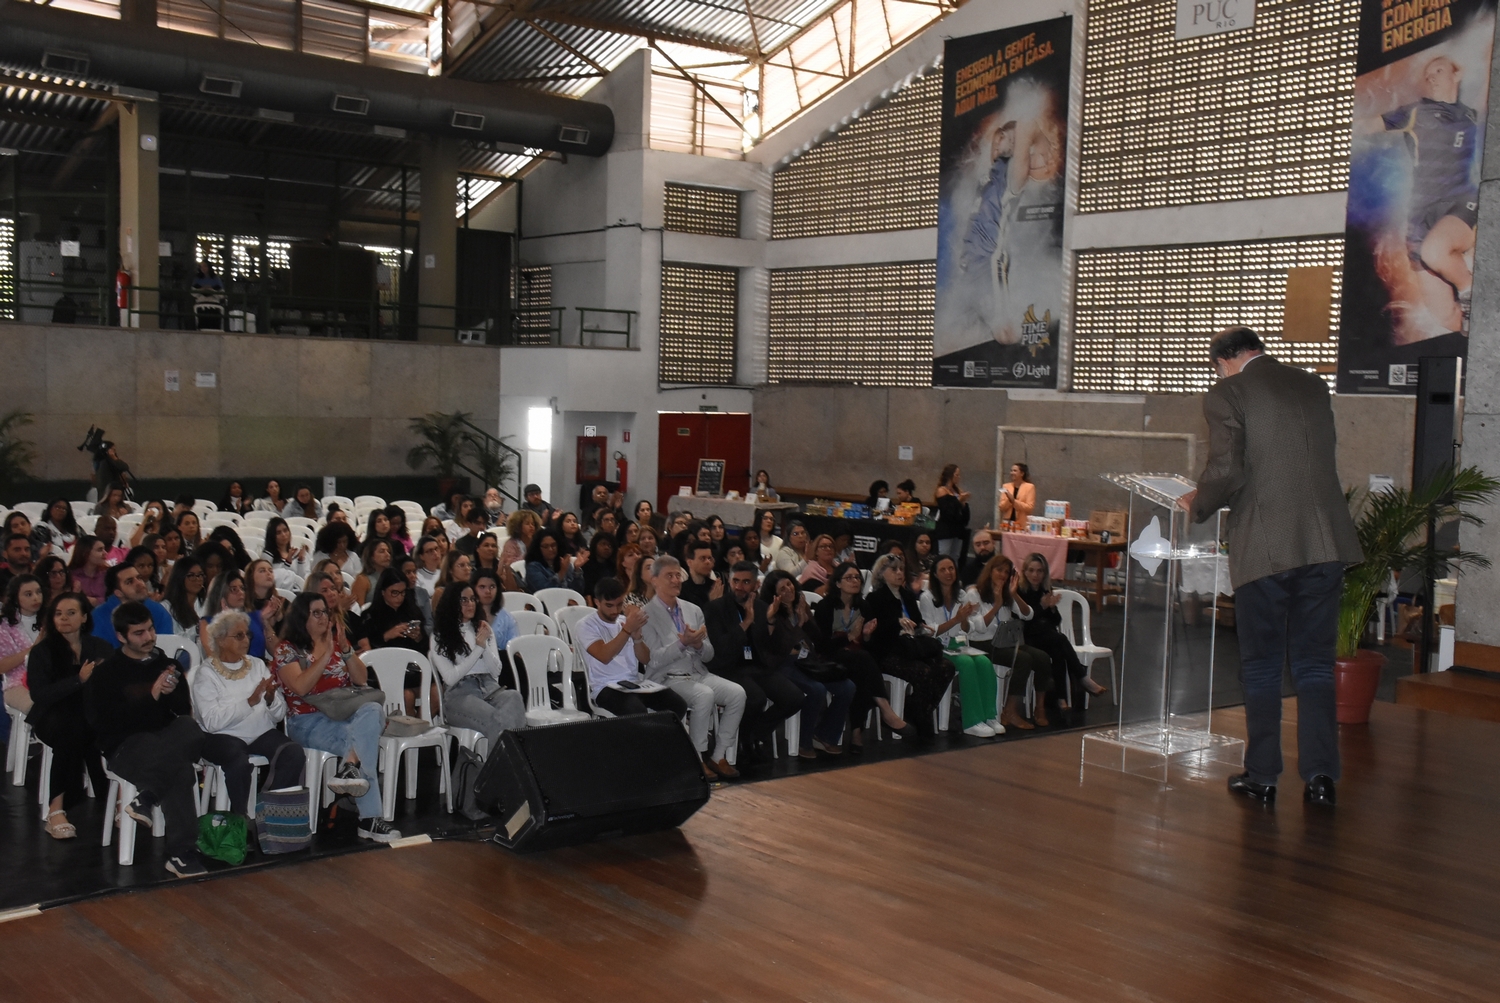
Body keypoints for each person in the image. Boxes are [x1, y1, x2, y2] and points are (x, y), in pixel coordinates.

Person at [1179, 326, 1362, 807]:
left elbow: (1227, 468)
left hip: (1265, 546)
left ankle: (1262, 776)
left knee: (1261, 667)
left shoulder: (1228, 391)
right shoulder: (1312, 384)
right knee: (1314, 665)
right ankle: (1321, 776)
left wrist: (1198, 502)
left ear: (1225, 360)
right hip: (1324, 543)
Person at [85, 601, 208, 877]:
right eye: (139, 633)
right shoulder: (106, 674)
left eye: (150, 629)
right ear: (121, 637)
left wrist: (171, 693)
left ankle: (149, 795)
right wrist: (151, 695)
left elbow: (180, 713)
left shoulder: (168, 664)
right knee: (180, 768)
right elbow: (108, 725)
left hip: (164, 738)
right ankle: (181, 853)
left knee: (189, 728)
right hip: (125, 746)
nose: (149, 637)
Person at [272, 592, 399, 842]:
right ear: (301, 618)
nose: (323, 617)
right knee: (365, 740)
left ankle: (350, 767)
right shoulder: (286, 649)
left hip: (345, 713)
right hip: (307, 720)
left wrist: (346, 649)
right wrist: (326, 654)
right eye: (316, 612)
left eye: (325, 612)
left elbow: (361, 680)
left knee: (373, 709)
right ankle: (370, 818)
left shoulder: (336, 640)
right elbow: (300, 687)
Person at [640, 556, 745, 780]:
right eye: (670, 575)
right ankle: (697, 758)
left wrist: (697, 644)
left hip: (697, 673)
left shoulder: (693, 609)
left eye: (678, 575)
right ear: (655, 579)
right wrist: (682, 643)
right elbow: (653, 659)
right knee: (704, 696)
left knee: (738, 693)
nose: (676, 580)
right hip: (667, 677)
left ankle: (718, 756)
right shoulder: (646, 614)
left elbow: (709, 654)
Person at [192, 610, 303, 817]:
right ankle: (241, 819)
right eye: (239, 635)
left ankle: (273, 816)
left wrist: (270, 700)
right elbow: (211, 722)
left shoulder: (258, 664)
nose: (246, 640)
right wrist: (249, 702)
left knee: (292, 752)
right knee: (237, 760)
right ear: (221, 640)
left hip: (260, 732)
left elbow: (278, 716)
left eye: (247, 635)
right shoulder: (206, 673)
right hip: (221, 737)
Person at [26, 592, 112, 839]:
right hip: (51, 715)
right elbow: (40, 694)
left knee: (94, 725)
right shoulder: (43, 651)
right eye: (58, 613)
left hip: (90, 713)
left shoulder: (99, 646)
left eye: (71, 613)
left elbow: (111, 683)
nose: (63, 618)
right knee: (71, 728)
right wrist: (78, 681)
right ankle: (57, 808)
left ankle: (108, 796)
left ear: (84, 617)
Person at [704, 561, 803, 761]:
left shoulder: (762, 606)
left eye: (746, 582)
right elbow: (721, 648)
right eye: (736, 581)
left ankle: (751, 734)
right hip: (727, 667)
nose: (739, 586)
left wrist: (770, 621)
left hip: (757, 666)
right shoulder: (715, 608)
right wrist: (746, 623)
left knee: (794, 697)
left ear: (755, 585)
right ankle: (746, 740)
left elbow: (773, 647)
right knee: (755, 698)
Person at [811, 561, 915, 748]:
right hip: (831, 656)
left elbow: (869, 643)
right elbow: (822, 646)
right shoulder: (825, 607)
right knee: (865, 662)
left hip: (857, 657)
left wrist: (866, 635)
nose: (855, 581)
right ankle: (883, 712)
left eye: (857, 577)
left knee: (863, 669)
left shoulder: (864, 607)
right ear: (837, 583)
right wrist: (849, 637)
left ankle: (857, 731)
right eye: (849, 578)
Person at [756, 570, 856, 758]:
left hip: (808, 661)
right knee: (816, 689)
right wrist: (798, 626)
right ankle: (804, 741)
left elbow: (817, 639)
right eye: (782, 588)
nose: (788, 590)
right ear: (774, 594)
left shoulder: (800, 606)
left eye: (789, 584)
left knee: (847, 687)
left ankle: (825, 735)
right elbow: (779, 648)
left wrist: (805, 620)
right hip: (784, 664)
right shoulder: (771, 612)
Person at [861, 553, 954, 739]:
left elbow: (917, 621)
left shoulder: (907, 595)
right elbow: (875, 632)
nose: (899, 573)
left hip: (911, 648)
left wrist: (921, 627)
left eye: (901, 569)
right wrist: (897, 623)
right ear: (881, 573)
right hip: (888, 651)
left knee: (946, 667)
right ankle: (921, 717)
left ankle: (914, 709)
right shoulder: (875, 598)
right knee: (923, 672)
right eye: (893, 569)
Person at [429, 582, 526, 753]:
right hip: (460, 693)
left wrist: (485, 646)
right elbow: (450, 678)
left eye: (473, 599)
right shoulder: (439, 635)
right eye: (464, 600)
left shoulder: (483, 628)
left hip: (489, 687)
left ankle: (504, 770)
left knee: (514, 698)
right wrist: (478, 648)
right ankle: (503, 773)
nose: (470, 604)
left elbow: (496, 671)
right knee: (497, 718)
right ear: (453, 603)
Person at [578, 577, 690, 720]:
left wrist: (637, 639)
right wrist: (627, 631)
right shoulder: (586, 625)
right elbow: (604, 656)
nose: (615, 610)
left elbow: (645, 659)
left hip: (633, 682)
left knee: (678, 705)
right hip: (604, 686)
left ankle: (659, 741)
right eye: (609, 605)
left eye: (619, 605)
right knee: (637, 711)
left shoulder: (624, 621)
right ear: (597, 602)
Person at [920, 555, 1000, 738]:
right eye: (943, 569)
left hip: (959, 643)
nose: (949, 573)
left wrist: (963, 620)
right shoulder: (927, 597)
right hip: (937, 646)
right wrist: (957, 619)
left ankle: (989, 716)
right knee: (966, 664)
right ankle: (971, 721)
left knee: (984, 662)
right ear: (935, 574)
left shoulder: (961, 595)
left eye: (951, 569)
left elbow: (968, 628)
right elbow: (930, 631)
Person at [968, 554, 1049, 731]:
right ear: (990, 571)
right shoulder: (975, 593)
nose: (1003, 575)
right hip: (982, 642)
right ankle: (1010, 710)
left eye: (1006, 572)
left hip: (1005, 641)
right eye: (999, 570)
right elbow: (977, 628)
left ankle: (1040, 708)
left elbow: (1028, 615)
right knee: (1023, 659)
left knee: (1042, 658)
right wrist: (997, 605)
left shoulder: (1006, 593)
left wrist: (1013, 595)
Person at [1016, 553, 1106, 708]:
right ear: (1024, 572)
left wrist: (1051, 608)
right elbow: (1025, 619)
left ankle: (1061, 698)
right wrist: (1042, 607)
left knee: (1058, 652)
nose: (1035, 575)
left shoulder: (1045, 590)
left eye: (1039, 571)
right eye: (1031, 570)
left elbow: (1056, 620)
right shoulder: (1020, 591)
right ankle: (1082, 678)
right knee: (1061, 639)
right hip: (1029, 637)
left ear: (1044, 573)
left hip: (1047, 636)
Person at [91, 563, 175, 646]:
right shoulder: (98, 616)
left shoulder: (158, 610)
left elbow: (166, 648)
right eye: (130, 582)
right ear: (118, 593)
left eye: (139, 578)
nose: (139, 583)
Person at [0, 574, 42, 715]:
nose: (36, 598)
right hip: (17, 684)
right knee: (41, 708)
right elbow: (2, 666)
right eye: (28, 594)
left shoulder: (53, 618)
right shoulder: (3, 626)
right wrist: (34, 649)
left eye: (38, 592)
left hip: (51, 679)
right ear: (15, 598)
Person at [524, 528, 585, 594]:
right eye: (545, 546)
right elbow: (545, 592)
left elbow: (578, 591)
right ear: (538, 548)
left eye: (553, 545)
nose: (550, 549)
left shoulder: (563, 561)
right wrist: (561, 573)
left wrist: (576, 570)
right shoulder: (533, 567)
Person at [245, 558, 288, 648]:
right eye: (262, 571)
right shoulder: (243, 603)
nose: (268, 573)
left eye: (270, 570)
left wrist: (280, 619)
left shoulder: (283, 602)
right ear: (251, 576)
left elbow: (291, 637)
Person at [261, 517, 311, 593]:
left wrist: (301, 561)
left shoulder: (296, 552)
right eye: (278, 533)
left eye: (285, 530)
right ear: (272, 536)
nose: (284, 535)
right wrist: (287, 562)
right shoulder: (267, 556)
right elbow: (276, 579)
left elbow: (302, 578)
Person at [933, 464, 972, 560]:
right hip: (946, 529)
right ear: (950, 475)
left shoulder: (957, 490)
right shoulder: (942, 490)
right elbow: (947, 511)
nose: (959, 477)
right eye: (957, 475)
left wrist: (964, 504)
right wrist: (959, 500)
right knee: (944, 555)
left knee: (955, 556)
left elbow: (961, 509)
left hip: (957, 528)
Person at [163, 557, 207, 638]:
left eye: (200, 575)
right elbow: (172, 639)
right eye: (191, 575)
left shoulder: (205, 603)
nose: (198, 579)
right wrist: (197, 629)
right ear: (180, 577)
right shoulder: (166, 607)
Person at [499, 510, 540, 592]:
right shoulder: (511, 544)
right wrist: (528, 552)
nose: (531, 526)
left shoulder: (538, 542)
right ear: (518, 526)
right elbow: (510, 565)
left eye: (533, 524)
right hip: (516, 579)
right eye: (527, 524)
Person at [66, 535, 109, 604]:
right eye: (100, 550)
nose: (105, 553)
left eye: (104, 549)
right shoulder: (70, 576)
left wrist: (94, 601)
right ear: (86, 553)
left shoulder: (107, 575)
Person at [680, 540, 722, 609]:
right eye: (703, 558)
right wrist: (711, 603)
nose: (707, 562)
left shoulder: (715, 587)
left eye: (709, 558)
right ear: (689, 562)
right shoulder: (682, 590)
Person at [352, 539, 393, 605]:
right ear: (371, 556)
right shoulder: (362, 580)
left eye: (388, 552)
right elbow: (357, 610)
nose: (387, 555)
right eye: (382, 551)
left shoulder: (393, 577)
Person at [580, 531, 617, 602]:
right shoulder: (586, 564)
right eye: (603, 544)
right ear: (595, 545)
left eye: (610, 546)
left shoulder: (613, 566)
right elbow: (585, 588)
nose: (607, 548)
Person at [0, 531, 35, 595]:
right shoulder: (1, 579)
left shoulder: (39, 574)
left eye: (26, 549)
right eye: (17, 550)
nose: (23, 553)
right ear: (5, 554)